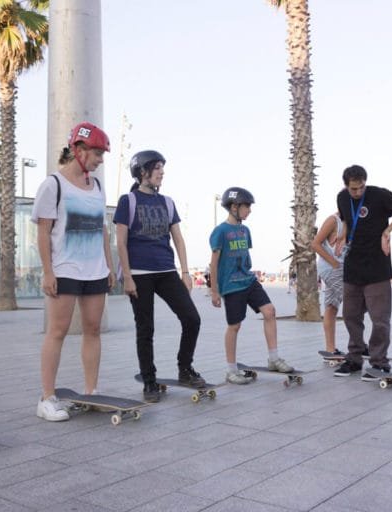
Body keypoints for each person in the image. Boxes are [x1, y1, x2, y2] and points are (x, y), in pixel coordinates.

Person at [31, 122, 115, 421]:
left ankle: (91, 392)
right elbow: (43, 232)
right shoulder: (53, 185)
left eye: (102, 154)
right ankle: (47, 397)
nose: (100, 159)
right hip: (65, 267)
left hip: (95, 270)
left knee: (93, 329)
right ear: (78, 150)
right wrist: (48, 271)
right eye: (96, 153)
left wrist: (109, 265)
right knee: (58, 331)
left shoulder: (98, 186)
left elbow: (102, 228)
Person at [114, 150, 205, 402]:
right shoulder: (127, 201)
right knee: (146, 329)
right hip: (140, 274)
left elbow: (178, 238)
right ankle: (149, 381)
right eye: (157, 168)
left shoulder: (167, 202)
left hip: (167, 271)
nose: (161, 172)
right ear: (142, 172)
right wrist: (128, 276)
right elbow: (120, 242)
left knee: (191, 318)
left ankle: (184, 367)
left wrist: (185, 272)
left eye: (162, 168)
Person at [332, 165, 392, 380]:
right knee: (350, 315)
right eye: (353, 189)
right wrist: (342, 235)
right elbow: (348, 220)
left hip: (377, 266)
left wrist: (387, 231)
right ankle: (354, 358)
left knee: (380, 318)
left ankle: (379, 362)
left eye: (361, 188)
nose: (357, 192)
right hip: (353, 266)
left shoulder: (379, 195)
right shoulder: (342, 198)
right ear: (346, 186)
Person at [209, 187, 294, 384]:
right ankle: (231, 370)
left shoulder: (244, 230)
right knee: (234, 326)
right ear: (234, 207)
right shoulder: (220, 231)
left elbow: (244, 257)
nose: (250, 210)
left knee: (270, 311)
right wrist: (215, 291)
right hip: (231, 285)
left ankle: (274, 359)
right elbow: (213, 264)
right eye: (247, 206)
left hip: (248, 280)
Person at [311, 211, 346, 356]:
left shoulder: (349, 222)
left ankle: (330, 349)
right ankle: (359, 346)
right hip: (333, 269)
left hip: (339, 269)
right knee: (353, 304)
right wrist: (334, 263)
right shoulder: (333, 220)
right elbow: (315, 244)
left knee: (331, 306)